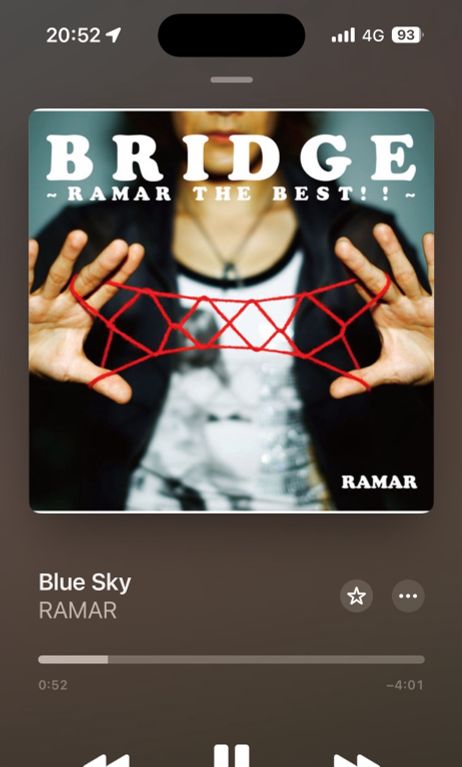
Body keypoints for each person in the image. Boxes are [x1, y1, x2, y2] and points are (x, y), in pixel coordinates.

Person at [29, 111, 434, 511]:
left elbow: (422, 462)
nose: (225, 108)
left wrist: (440, 380)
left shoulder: (362, 241)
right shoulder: (88, 240)